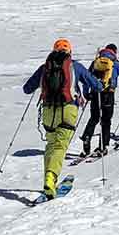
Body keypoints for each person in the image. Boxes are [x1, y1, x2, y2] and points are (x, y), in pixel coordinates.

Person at [22, 38, 97, 199]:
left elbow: (27, 89)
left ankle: (48, 180)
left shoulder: (45, 68)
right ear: (69, 52)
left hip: (48, 111)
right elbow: (95, 84)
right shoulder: (74, 66)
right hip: (68, 109)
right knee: (60, 146)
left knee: (51, 144)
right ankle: (51, 177)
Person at [80, 43, 119, 157]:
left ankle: (87, 137)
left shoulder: (95, 62)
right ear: (114, 52)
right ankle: (103, 146)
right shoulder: (116, 64)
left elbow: (86, 78)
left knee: (94, 118)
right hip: (108, 95)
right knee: (106, 121)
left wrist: (86, 93)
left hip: (95, 94)